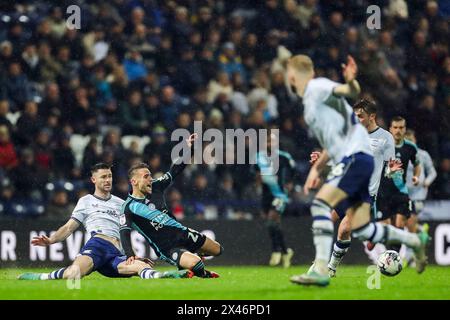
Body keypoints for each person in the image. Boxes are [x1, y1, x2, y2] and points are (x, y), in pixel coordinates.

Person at [285, 54, 429, 286]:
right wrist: (318, 167)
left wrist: (351, 82)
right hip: (354, 161)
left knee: (321, 204)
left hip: (357, 159)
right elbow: (336, 144)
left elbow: (348, 91)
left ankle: (321, 269)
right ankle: (412, 241)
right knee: (363, 231)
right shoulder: (314, 106)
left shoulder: (316, 87)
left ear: (292, 76)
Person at [18, 163, 191, 280]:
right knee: (74, 274)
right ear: (94, 180)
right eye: (103, 177)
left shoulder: (122, 204)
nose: (108, 180)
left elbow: (143, 230)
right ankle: (38, 277)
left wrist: (133, 253)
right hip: (98, 246)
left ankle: (167, 275)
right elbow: (70, 227)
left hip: (117, 253)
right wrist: (51, 240)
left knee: (138, 266)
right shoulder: (85, 201)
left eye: (109, 176)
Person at [312, 99, 403, 277]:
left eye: (360, 116)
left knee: (345, 228)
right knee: (324, 224)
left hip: (366, 193)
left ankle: (329, 268)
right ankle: (320, 262)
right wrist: (321, 162)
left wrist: (392, 171)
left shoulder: (385, 138)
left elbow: (390, 169)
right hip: (345, 188)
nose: (357, 119)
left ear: (372, 116)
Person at [120, 133, 223, 278]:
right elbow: (124, 231)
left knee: (218, 250)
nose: (150, 179)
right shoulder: (128, 207)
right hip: (167, 247)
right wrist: (130, 254)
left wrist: (190, 149)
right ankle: (202, 273)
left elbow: (176, 169)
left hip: (182, 233)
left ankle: (193, 255)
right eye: (146, 176)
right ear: (134, 182)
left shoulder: (156, 186)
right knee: (197, 264)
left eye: (150, 175)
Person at [374, 117, 421, 254]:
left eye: (401, 128)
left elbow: (417, 164)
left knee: (400, 225)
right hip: (382, 192)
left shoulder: (410, 147)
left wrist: (416, 176)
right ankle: (390, 254)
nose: (398, 131)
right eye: (395, 127)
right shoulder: (382, 146)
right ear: (390, 129)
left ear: (405, 129)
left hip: (400, 192)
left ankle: (393, 257)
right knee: (387, 228)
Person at [255, 132, 295, 268]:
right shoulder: (259, 157)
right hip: (266, 196)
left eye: (271, 141)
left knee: (272, 221)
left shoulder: (284, 157)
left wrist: (290, 183)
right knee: (273, 224)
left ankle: (276, 251)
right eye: (266, 142)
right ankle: (285, 251)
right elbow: (255, 173)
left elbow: (294, 173)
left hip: (280, 195)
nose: (269, 144)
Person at [401, 129, 436, 265]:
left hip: (419, 194)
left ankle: (410, 256)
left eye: (411, 140)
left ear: (415, 140)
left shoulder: (422, 155)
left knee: (409, 222)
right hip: (404, 193)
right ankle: (421, 231)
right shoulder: (401, 155)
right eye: (407, 141)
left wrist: (427, 182)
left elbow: (432, 172)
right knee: (404, 223)